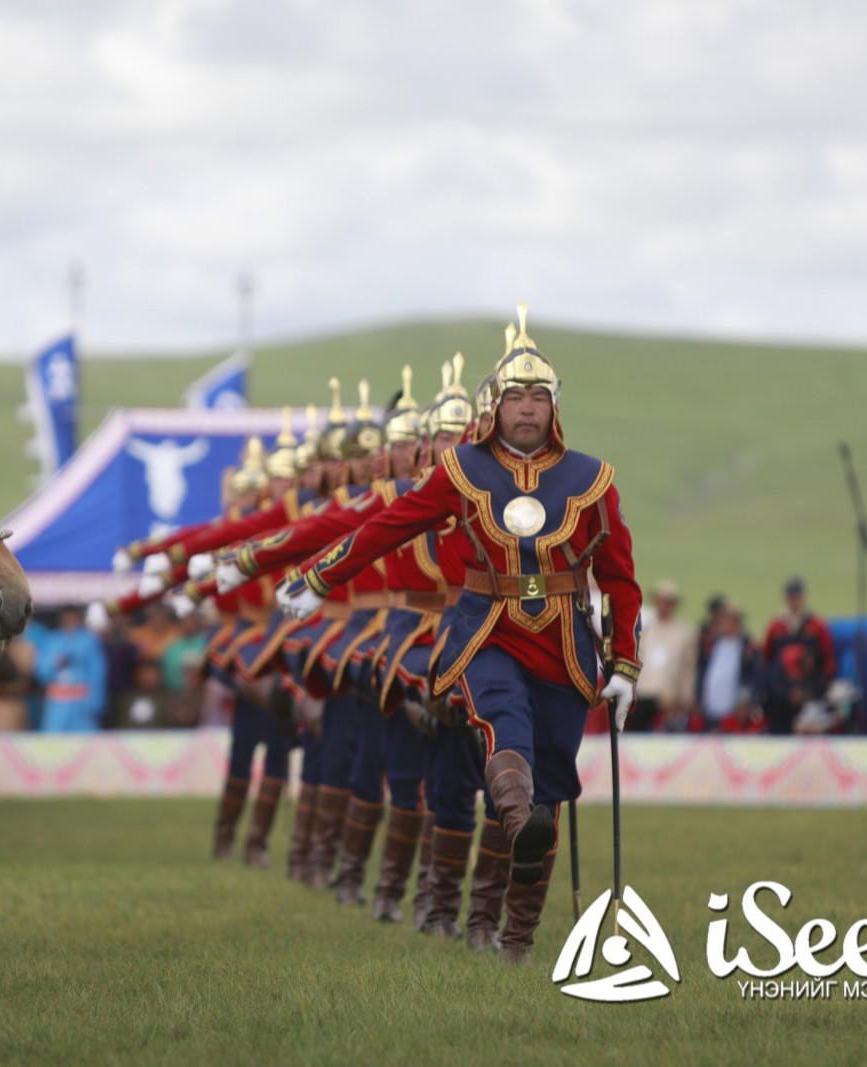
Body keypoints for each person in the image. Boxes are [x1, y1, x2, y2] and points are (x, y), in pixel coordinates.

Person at [278, 303, 642, 964]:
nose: (526, 408)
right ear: (495, 407)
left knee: (551, 784)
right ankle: (497, 848)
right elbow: (388, 526)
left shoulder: (595, 481)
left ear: (554, 406)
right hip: (486, 630)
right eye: (514, 396)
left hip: (563, 640)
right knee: (504, 726)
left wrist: (625, 666)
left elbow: (620, 579)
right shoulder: (460, 470)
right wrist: (322, 576)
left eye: (538, 396)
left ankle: (510, 934)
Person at [762, 577, 835, 735]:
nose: (795, 601)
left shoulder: (816, 626)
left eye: (798, 596)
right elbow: (768, 662)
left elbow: (827, 661)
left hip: (810, 692)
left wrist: (813, 690)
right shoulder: (776, 626)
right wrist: (785, 691)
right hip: (781, 695)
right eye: (791, 596)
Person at [628, 579, 697, 731]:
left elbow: (688, 668)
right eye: (659, 601)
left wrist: (686, 697)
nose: (663, 605)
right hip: (643, 694)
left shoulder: (685, 632)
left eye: (667, 602)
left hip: (669, 698)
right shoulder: (645, 629)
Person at [34, 606, 108, 732]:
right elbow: (41, 671)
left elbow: (98, 673)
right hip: (57, 703)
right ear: (61, 619)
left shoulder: (90, 640)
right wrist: (55, 663)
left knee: (85, 743)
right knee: (54, 743)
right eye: (67, 617)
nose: (70, 620)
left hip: (82, 703)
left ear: (79, 619)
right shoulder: (52, 640)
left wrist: (94, 703)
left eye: (73, 617)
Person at [698, 602, 763, 732]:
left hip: (734, 715)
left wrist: (746, 701)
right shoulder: (712, 645)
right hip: (709, 712)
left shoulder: (747, 647)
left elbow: (754, 677)